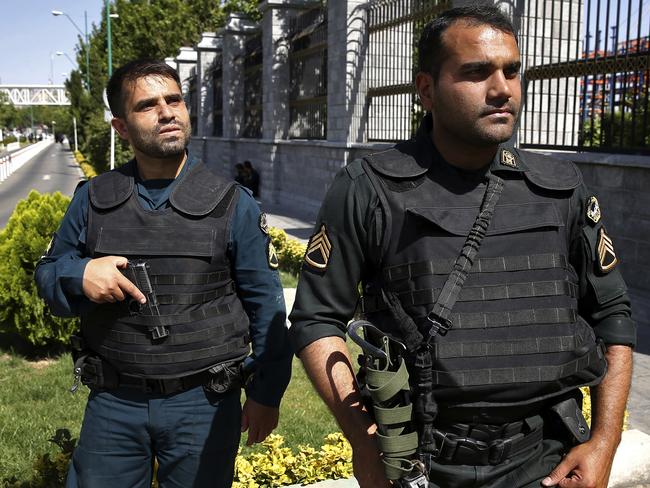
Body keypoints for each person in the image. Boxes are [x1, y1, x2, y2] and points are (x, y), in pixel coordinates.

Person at [289, 6, 635, 488]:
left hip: (548, 460)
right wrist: (366, 443)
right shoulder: (368, 190)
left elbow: (613, 314)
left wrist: (605, 441)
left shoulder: (561, 189)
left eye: (512, 71)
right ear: (426, 89)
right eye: (476, 72)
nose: (502, 89)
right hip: (425, 465)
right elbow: (316, 319)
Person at [35, 59, 292, 488]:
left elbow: (267, 305)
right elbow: (47, 273)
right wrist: (78, 275)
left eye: (174, 100)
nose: (167, 112)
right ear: (120, 126)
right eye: (148, 105)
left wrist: (266, 393)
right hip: (114, 402)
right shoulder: (93, 199)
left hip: (204, 402)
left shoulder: (233, 203)